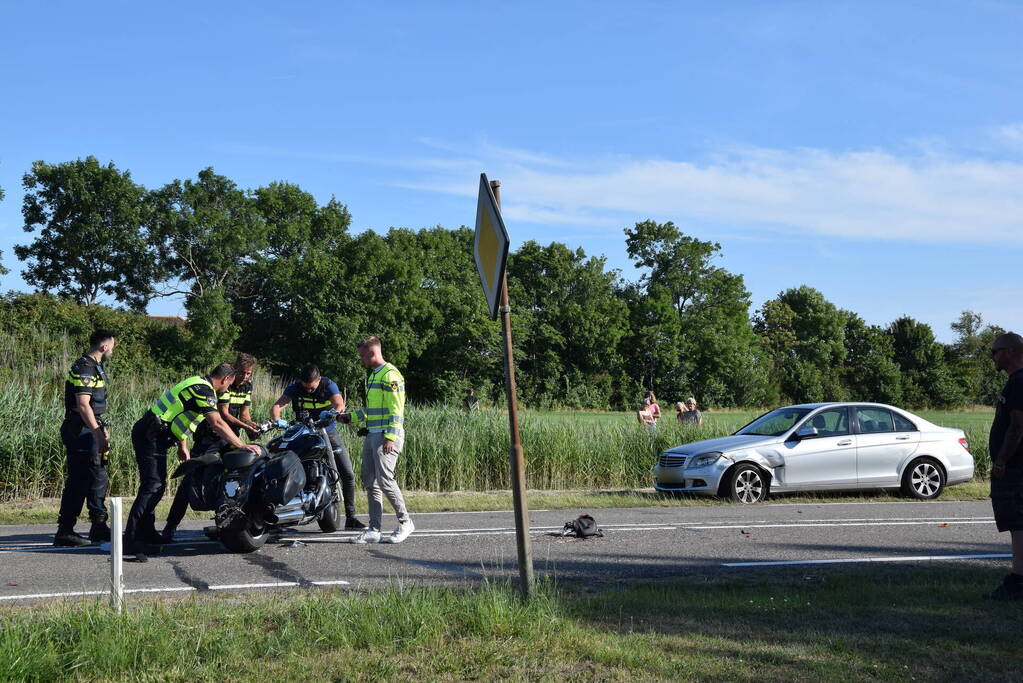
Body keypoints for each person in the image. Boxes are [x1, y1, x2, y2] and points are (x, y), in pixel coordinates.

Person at [125, 364, 262, 562]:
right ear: (225, 380)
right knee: (152, 486)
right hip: (150, 435)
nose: (227, 389)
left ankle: (146, 533)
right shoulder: (204, 390)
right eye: (229, 385)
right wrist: (242, 445)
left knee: (157, 486)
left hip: (156, 435)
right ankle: (132, 540)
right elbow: (217, 422)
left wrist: (182, 445)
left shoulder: (198, 384)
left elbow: (180, 413)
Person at [161, 353, 261, 543]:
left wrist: (251, 425)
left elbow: (244, 413)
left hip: (230, 437)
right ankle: (170, 526)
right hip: (209, 436)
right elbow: (222, 416)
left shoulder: (247, 386)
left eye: (249, 374)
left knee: (236, 478)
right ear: (233, 370)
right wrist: (244, 426)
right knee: (190, 479)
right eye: (242, 372)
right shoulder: (224, 385)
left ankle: (227, 523)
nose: (245, 377)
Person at [269, 365, 364, 531]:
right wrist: (277, 420)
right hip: (303, 433)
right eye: (305, 387)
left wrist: (332, 414)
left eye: (312, 387)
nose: (309, 390)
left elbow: (339, 403)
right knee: (284, 469)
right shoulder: (294, 387)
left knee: (347, 473)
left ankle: (351, 517)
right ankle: (283, 513)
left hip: (326, 431)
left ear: (318, 380)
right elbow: (276, 407)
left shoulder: (328, 385)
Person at [339, 336, 414, 544]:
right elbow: (372, 410)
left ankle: (406, 522)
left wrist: (390, 437)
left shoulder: (390, 375)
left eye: (362, 356)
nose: (361, 360)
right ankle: (374, 529)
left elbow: (396, 410)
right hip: (373, 434)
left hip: (385, 436)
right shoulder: (373, 376)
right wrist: (351, 417)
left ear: (372, 353)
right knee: (371, 482)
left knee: (385, 480)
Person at [53, 329, 117, 547]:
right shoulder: (85, 368)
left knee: (98, 477)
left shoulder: (95, 367)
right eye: (112, 346)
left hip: (89, 428)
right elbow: (82, 405)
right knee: (79, 481)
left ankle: (98, 526)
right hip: (79, 431)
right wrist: (97, 433)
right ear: (104, 346)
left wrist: (100, 427)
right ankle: (65, 531)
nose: (112, 350)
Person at [986, 332, 1023, 600]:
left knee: (1017, 523)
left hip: (1015, 467)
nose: (993, 357)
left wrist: (1001, 461)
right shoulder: (1015, 381)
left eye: (995, 351)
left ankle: (1018, 581)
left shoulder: (1019, 383)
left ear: (1010, 351)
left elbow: (1017, 427)